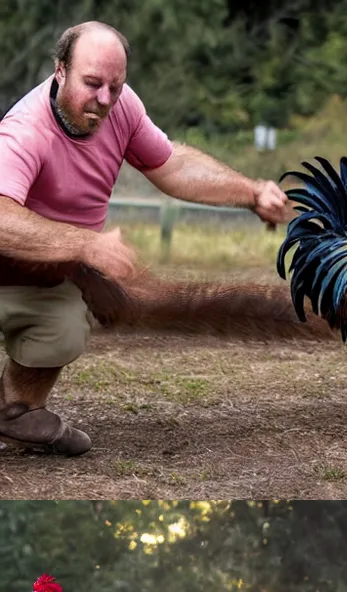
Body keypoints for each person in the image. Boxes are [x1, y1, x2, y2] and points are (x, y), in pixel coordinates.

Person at [0, 21, 290, 455]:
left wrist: (250, 191)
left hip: (48, 275)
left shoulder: (122, 108)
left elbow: (171, 165)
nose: (103, 100)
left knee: (63, 329)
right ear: (60, 70)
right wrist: (86, 244)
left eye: (114, 86)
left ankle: (15, 411)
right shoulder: (25, 131)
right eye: (92, 83)